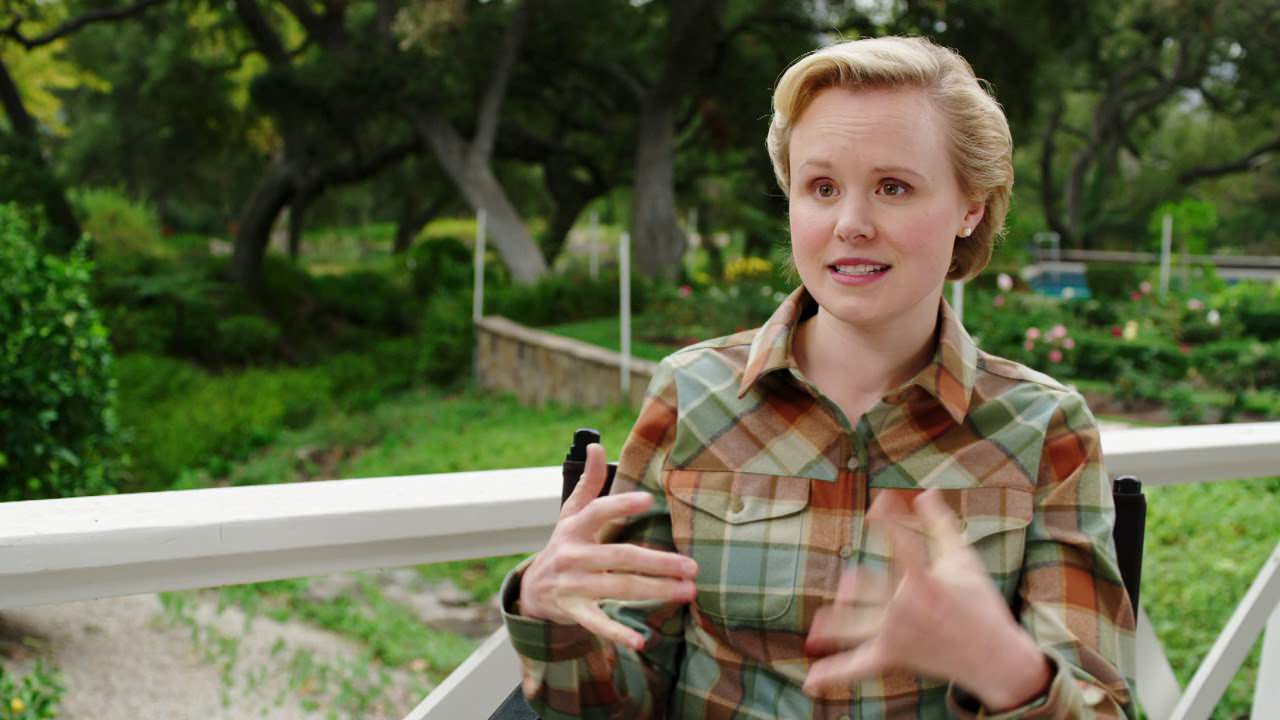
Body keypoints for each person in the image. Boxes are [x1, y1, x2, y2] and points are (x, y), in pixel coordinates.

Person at [500, 35, 1136, 718]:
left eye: (893, 187)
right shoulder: (691, 395)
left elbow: (1100, 704)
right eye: (822, 188)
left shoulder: (1046, 430)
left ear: (970, 207)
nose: (851, 224)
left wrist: (1009, 671)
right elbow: (616, 701)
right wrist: (547, 615)